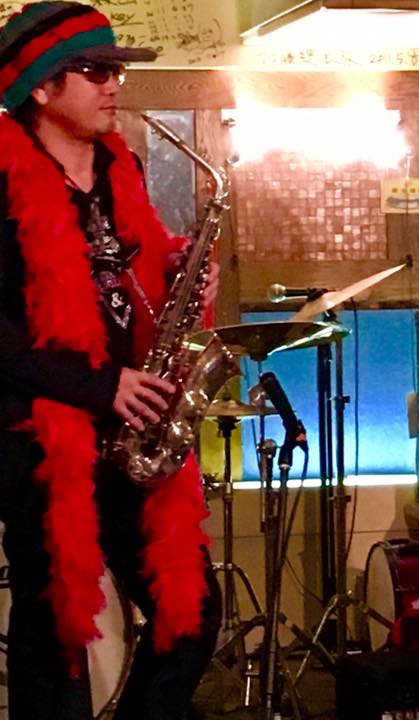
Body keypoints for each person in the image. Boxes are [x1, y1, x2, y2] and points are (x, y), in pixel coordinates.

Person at [0, 3, 222, 719]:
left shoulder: (120, 165)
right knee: (55, 631)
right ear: (41, 87)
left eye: (116, 70)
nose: (113, 84)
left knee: (191, 611)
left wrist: (178, 267)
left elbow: (127, 269)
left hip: (131, 428)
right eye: (95, 71)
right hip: (41, 435)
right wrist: (99, 385)